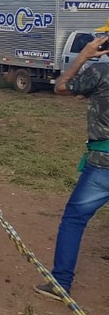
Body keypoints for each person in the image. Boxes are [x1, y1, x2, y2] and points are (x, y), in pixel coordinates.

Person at [34, 32, 109, 301]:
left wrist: (83, 56)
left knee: (74, 219)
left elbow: (61, 87)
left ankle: (61, 282)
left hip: (104, 163)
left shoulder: (100, 72)